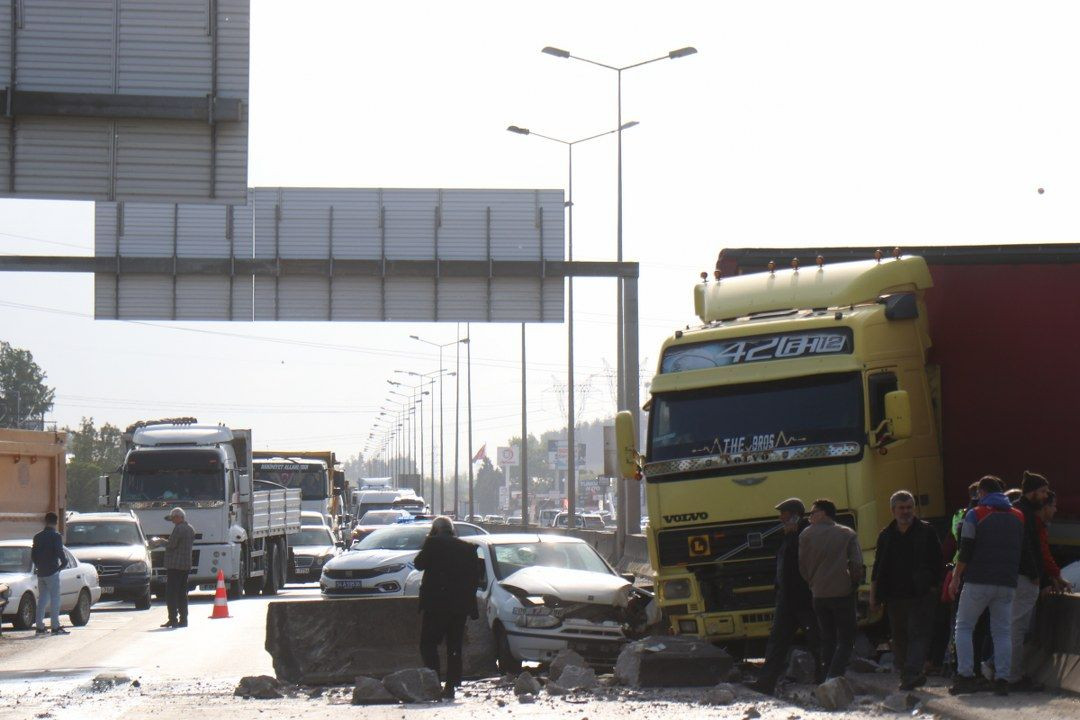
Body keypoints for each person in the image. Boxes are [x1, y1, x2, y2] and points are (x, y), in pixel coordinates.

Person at [948, 475, 1024, 696]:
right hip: (1007, 582)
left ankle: (965, 676)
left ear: (981, 493)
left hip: (978, 581)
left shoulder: (976, 514)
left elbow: (966, 549)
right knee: (1002, 632)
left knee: (963, 627)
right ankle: (1002, 679)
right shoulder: (1018, 516)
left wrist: (956, 576)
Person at [870, 490, 944, 690]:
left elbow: (938, 560)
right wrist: (874, 594)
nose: (906, 512)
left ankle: (911, 672)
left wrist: (933, 586)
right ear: (893, 510)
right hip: (894, 595)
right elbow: (878, 566)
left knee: (919, 633)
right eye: (901, 508)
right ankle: (907, 673)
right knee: (900, 636)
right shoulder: (886, 535)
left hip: (921, 594)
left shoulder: (927, 532)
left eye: (909, 507)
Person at [750, 497, 821, 694]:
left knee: (817, 642)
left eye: (785, 515)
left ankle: (825, 681)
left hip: (804, 600)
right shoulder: (789, 536)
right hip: (787, 600)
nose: (781, 518)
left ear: (795, 516)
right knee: (776, 644)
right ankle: (765, 684)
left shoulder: (805, 536)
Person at [413, 516, 480, 700]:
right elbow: (476, 577)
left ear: (436, 530)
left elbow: (418, 564)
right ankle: (451, 686)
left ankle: (433, 680)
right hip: (459, 607)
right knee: (454, 646)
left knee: (428, 644)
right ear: (452, 530)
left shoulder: (433, 543)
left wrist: (428, 539)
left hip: (436, 605)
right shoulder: (467, 548)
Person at [799, 498, 864, 680]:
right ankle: (835, 676)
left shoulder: (805, 535)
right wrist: (853, 583)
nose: (810, 517)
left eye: (812, 513)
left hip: (818, 595)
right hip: (843, 593)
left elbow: (802, 566)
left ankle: (825, 675)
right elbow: (857, 564)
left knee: (827, 638)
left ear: (822, 513)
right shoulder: (847, 534)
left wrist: (813, 583)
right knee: (846, 638)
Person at [1008, 471, 1050, 690]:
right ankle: (1013, 675)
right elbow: (1027, 547)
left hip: (1016, 575)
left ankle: (1004, 670)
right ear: (1033, 492)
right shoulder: (1025, 514)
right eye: (1042, 492)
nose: (1046, 496)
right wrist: (1035, 574)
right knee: (1017, 628)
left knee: (1012, 626)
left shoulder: (1016, 510)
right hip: (1024, 577)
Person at [31, 512, 68, 635]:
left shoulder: (37, 536)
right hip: (52, 571)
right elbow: (59, 551)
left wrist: (38, 565)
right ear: (56, 522)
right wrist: (63, 563)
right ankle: (55, 626)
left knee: (42, 599)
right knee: (55, 599)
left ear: (45, 521)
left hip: (41, 572)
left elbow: (33, 555)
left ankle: (40, 626)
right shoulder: (55, 536)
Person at [160, 507, 195, 628]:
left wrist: (160, 541)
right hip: (185, 565)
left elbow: (171, 545)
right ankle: (183, 619)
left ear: (179, 517)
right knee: (182, 593)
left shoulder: (179, 529)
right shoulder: (190, 529)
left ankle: (173, 619)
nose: (173, 521)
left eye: (174, 518)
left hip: (175, 565)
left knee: (171, 593)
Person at [1038, 491, 1072, 595]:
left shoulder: (1038, 526)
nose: (1055, 509)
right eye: (1054, 506)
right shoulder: (1036, 528)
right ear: (1045, 507)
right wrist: (1048, 580)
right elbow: (1041, 555)